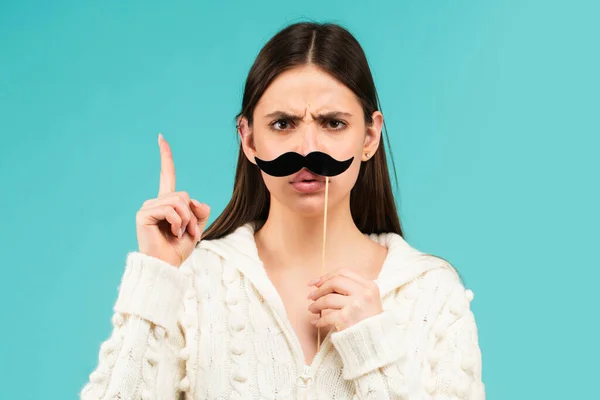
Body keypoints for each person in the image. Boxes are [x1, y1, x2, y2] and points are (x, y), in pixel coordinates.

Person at [80, 21, 485, 399]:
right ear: (249, 139)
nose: (307, 149)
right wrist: (157, 275)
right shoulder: (196, 280)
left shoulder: (432, 292)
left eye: (333, 123)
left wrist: (372, 346)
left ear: (370, 135)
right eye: (282, 124)